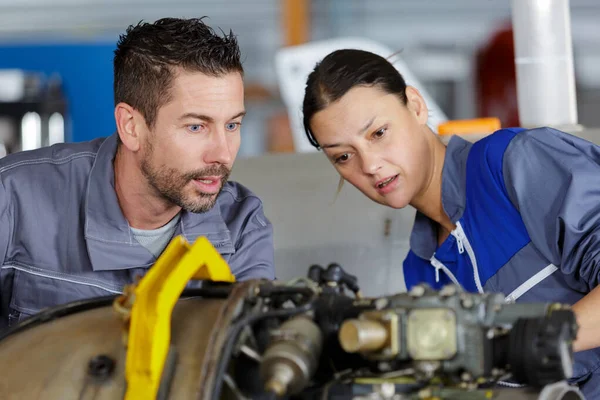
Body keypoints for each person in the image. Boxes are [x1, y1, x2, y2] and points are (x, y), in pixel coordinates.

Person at [301, 48, 600, 396]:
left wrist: (538, 339)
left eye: (378, 133)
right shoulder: (423, 270)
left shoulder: (513, 165)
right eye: (343, 156)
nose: (369, 165)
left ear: (415, 105)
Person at [0, 17, 275, 330]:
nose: (223, 155)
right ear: (131, 127)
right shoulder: (13, 198)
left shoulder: (241, 227)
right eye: (196, 127)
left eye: (232, 125)